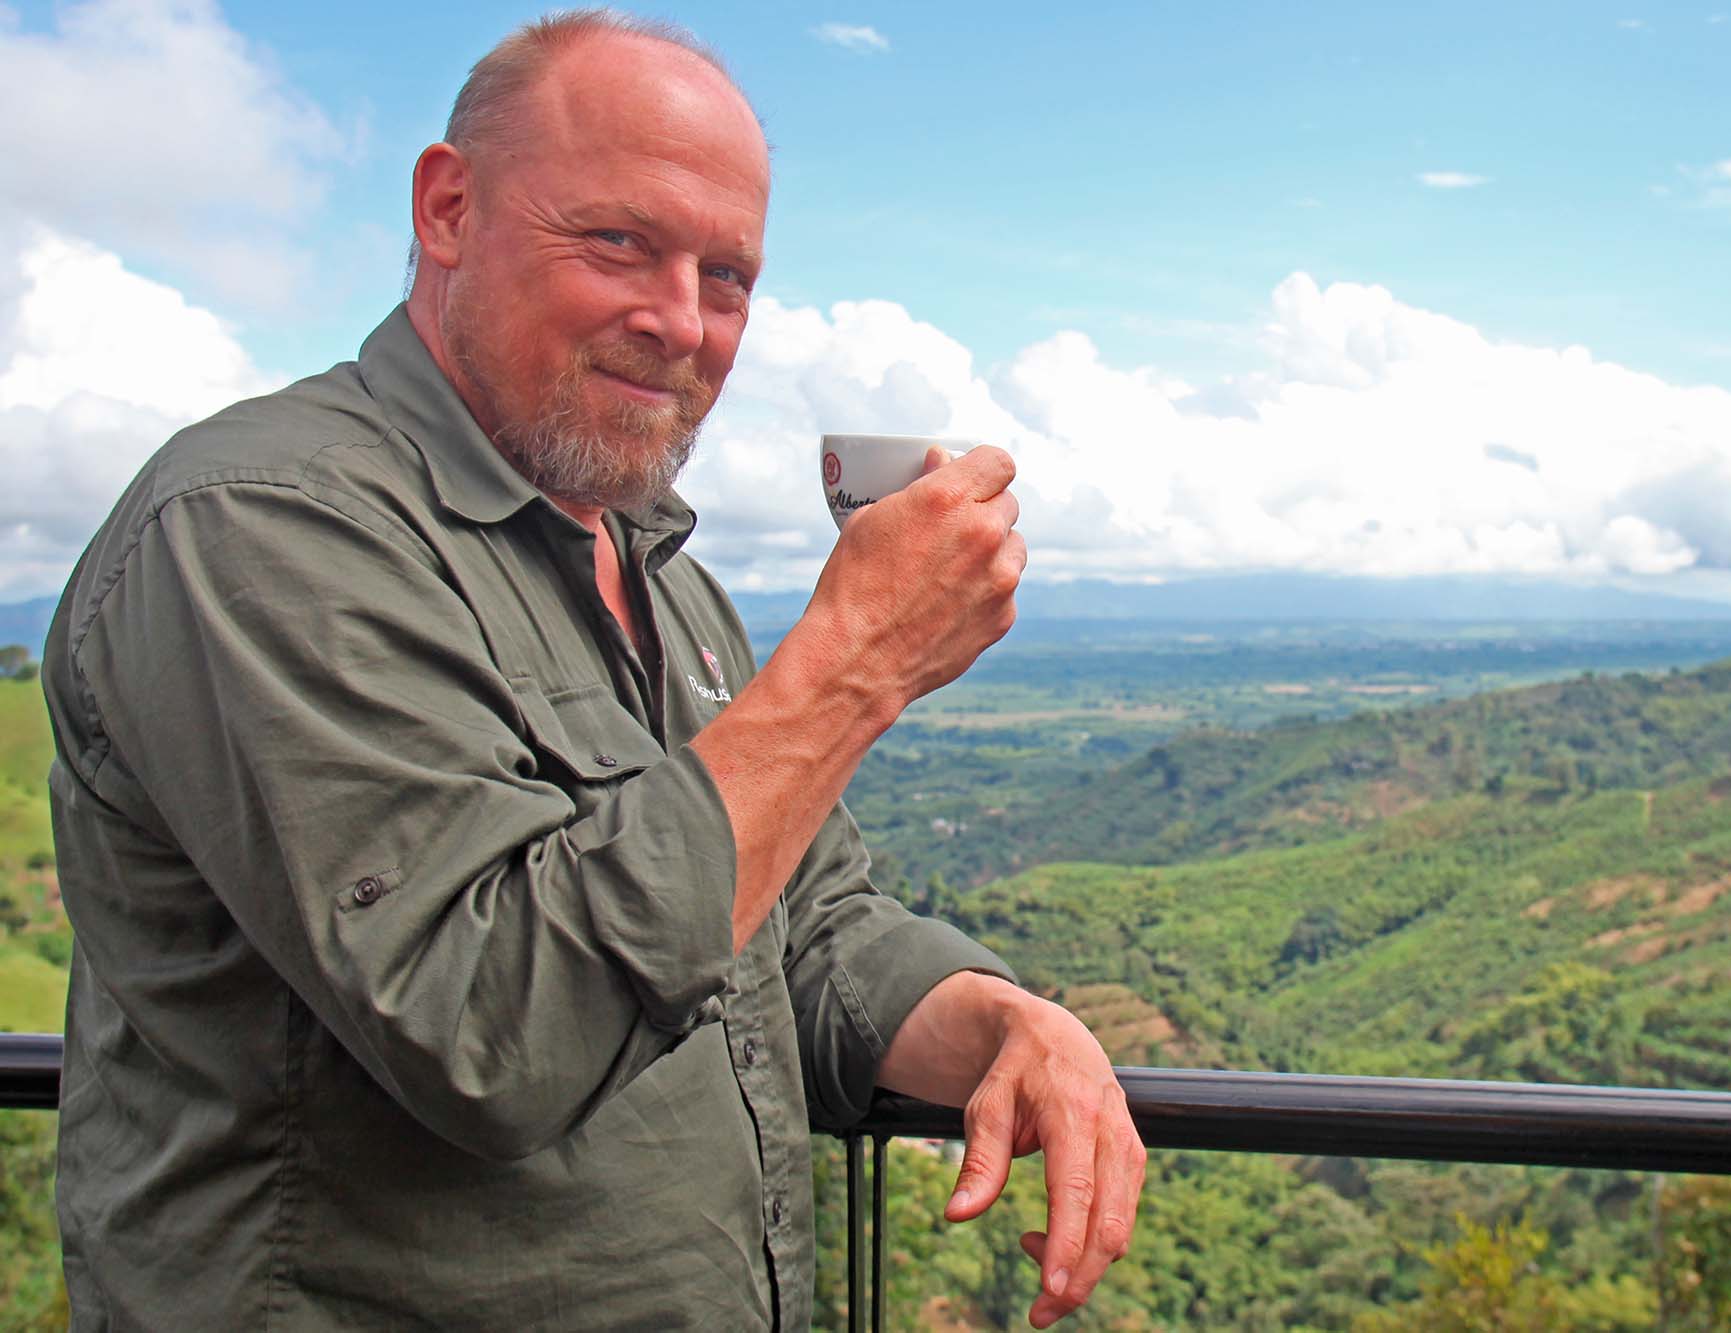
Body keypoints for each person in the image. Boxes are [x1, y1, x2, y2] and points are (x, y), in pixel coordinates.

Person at [41, 10, 1144, 1329]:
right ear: (448, 208)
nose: (681, 321)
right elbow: (487, 1026)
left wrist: (1004, 1021)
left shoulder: (671, 587)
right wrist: (852, 669)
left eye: (727, 275)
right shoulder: (257, 525)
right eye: (619, 241)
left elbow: (802, 931)